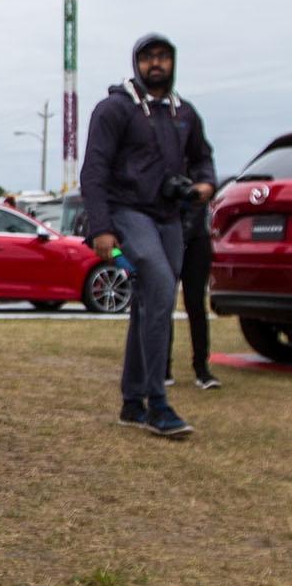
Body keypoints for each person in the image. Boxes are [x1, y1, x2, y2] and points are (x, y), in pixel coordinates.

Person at [80, 33, 215, 437]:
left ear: (173, 62)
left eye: (163, 57)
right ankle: (157, 403)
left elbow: (203, 156)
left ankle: (131, 402)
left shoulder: (183, 113)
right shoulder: (114, 109)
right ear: (136, 63)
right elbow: (93, 170)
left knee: (151, 302)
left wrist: (205, 183)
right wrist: (101, 228)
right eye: (148, 57)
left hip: (170, 216)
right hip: (127, 211)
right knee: (158, 285)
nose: (156, 64)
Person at [169, 200, 220, 389]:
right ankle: (162, 367)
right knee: (164, 303)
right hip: (167, 233)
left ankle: (201, 368)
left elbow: (202, 195)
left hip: (197, 239)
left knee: (196, 304)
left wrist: (185, 234)